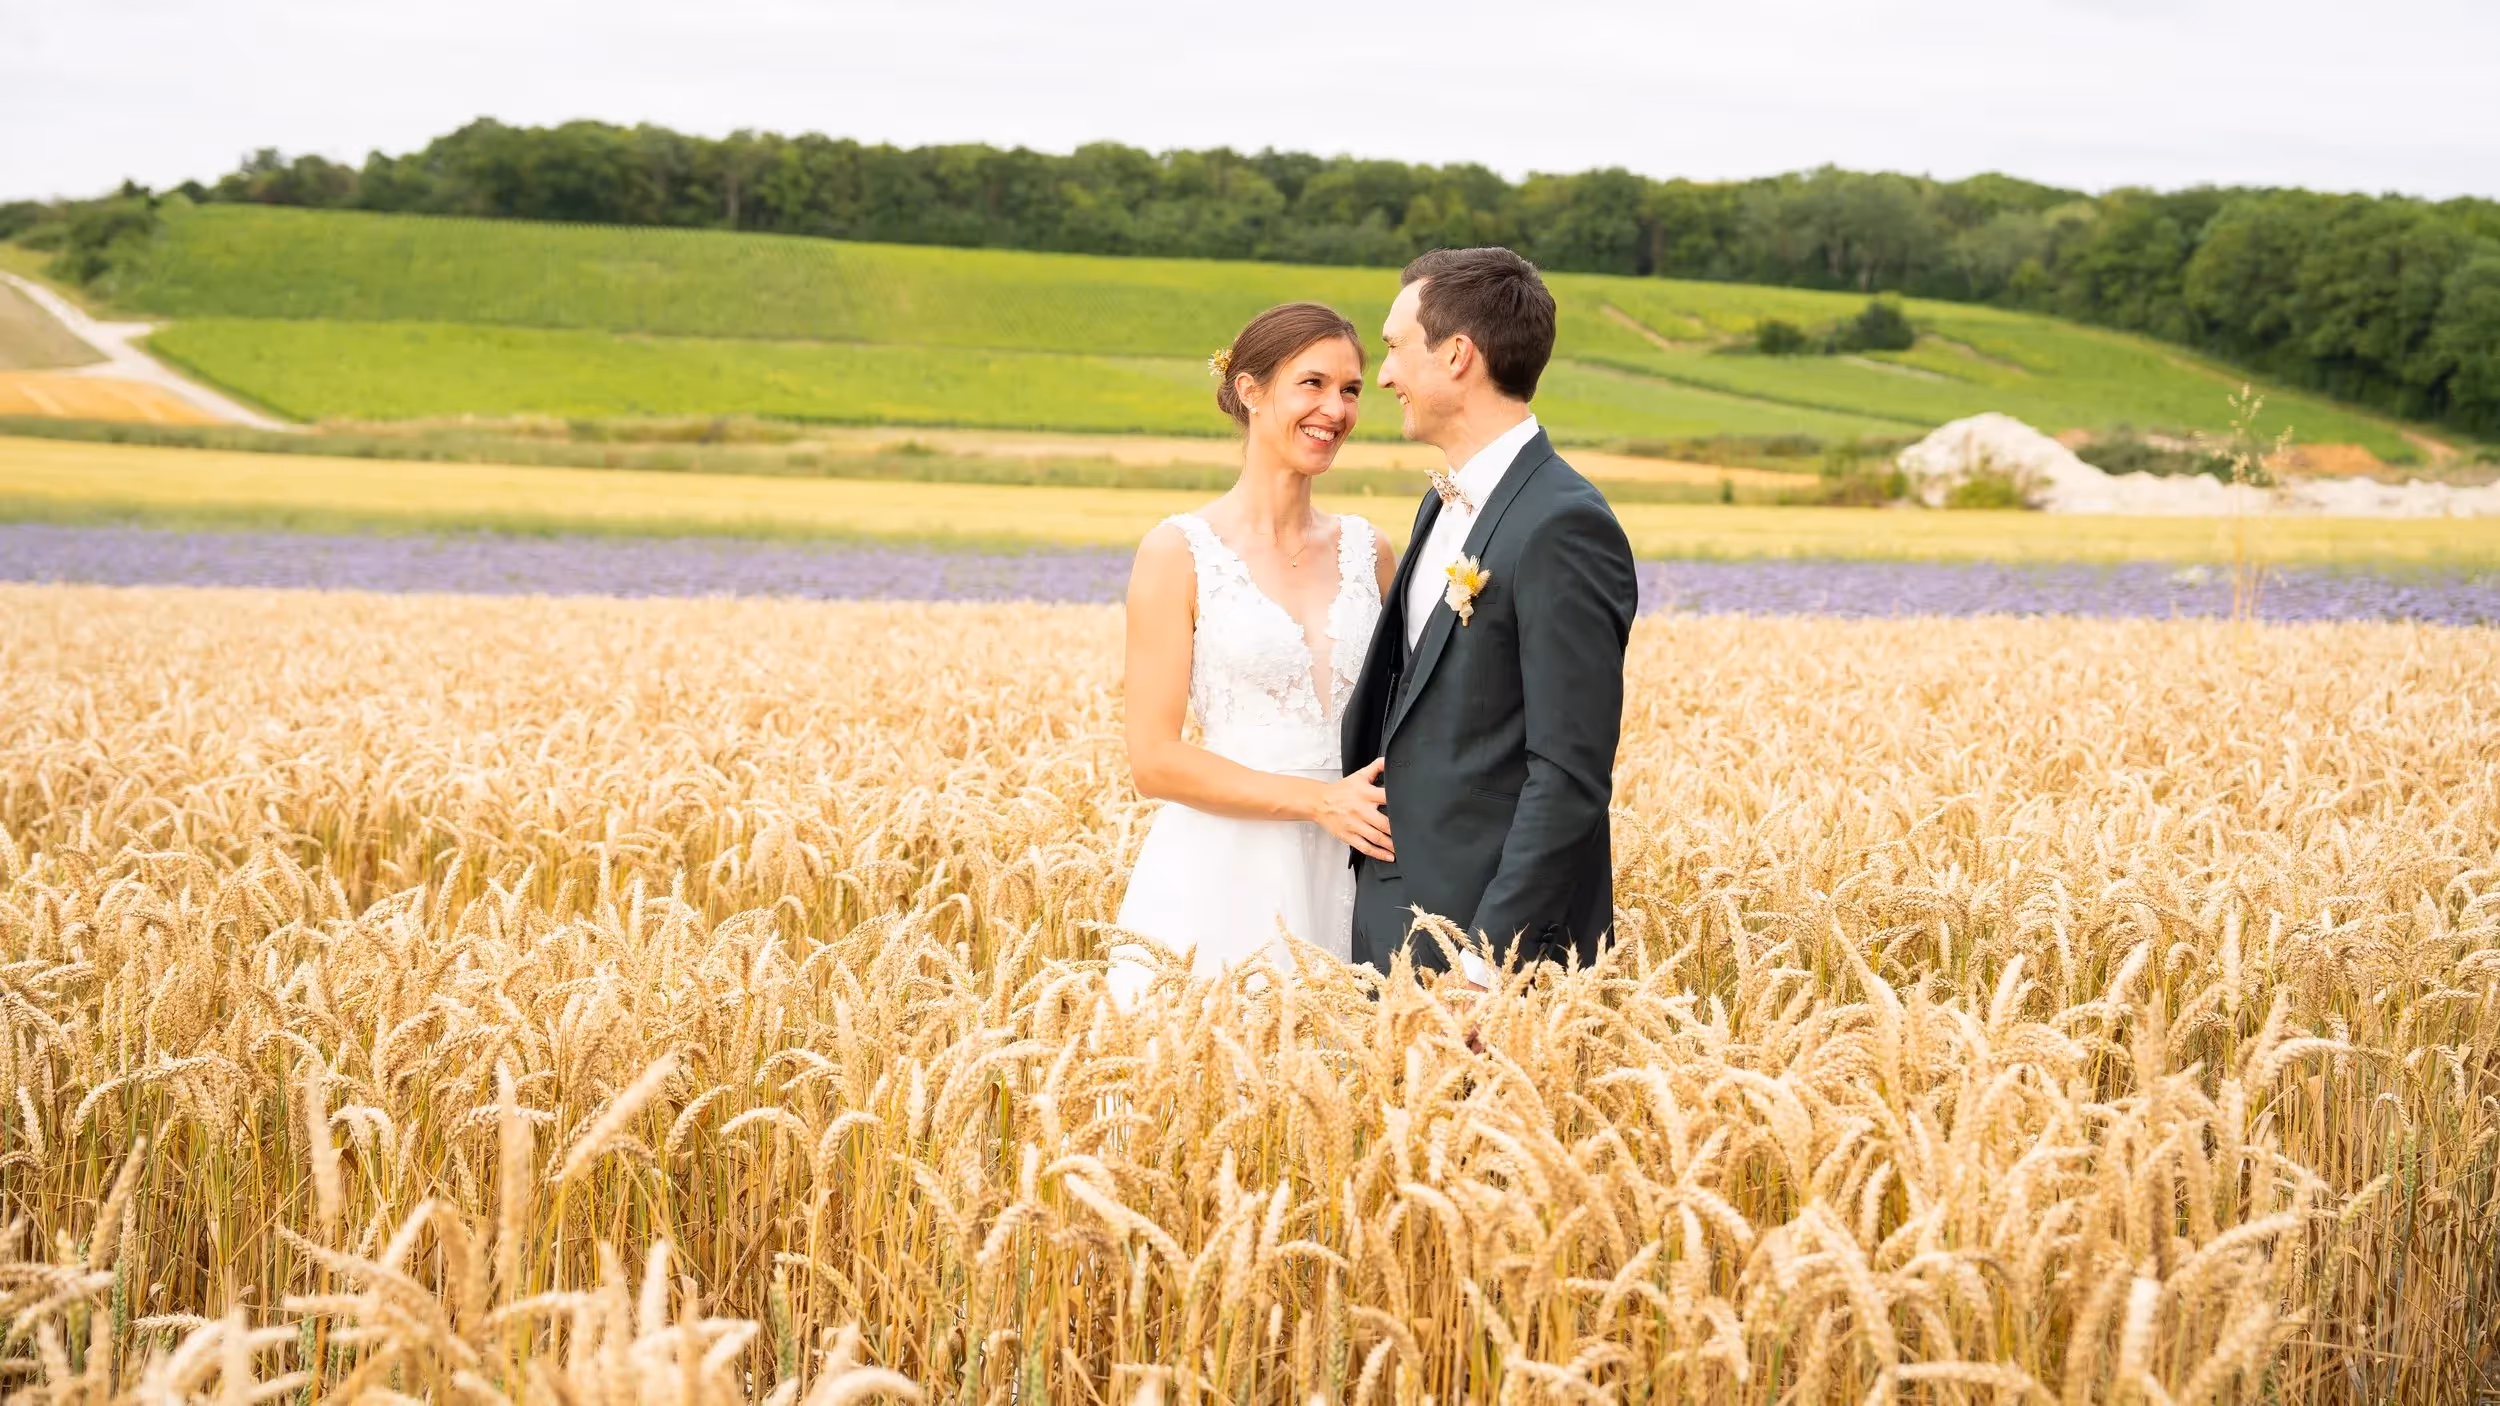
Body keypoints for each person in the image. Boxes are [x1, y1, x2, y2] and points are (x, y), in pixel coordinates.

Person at [1340, 248, 1639, 983]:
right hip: (1393, 919)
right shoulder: (1443, 501)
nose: (1382, 377)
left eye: (1395, 349)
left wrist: (1486, 965)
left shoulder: (1563, 524)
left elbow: (1568, 771)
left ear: (1457, 356)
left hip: (1488, 948)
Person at [1110, 302, 1400, 1003]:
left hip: (1358, 866)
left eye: (1352, 390)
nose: (1336, 408)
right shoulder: (1178, 552)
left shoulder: (1372, 551)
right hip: (1221, 872)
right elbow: (1153, 759)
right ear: (1250, 390)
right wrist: (1316, 801)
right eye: (1313, 384)